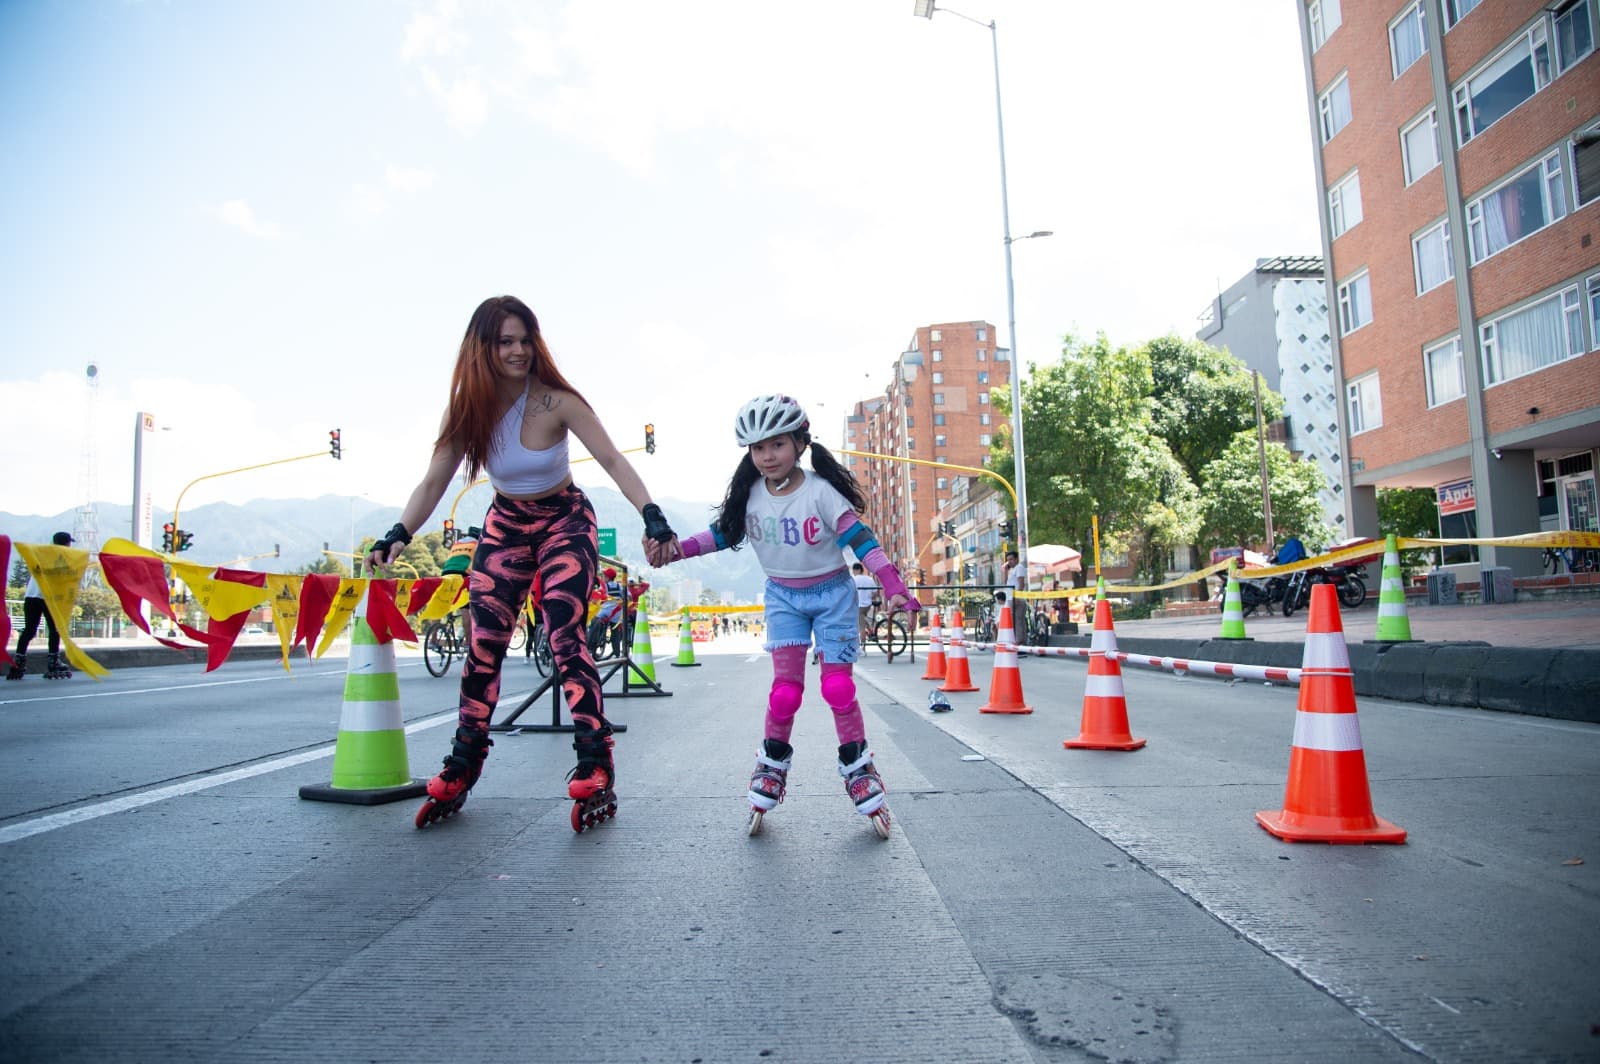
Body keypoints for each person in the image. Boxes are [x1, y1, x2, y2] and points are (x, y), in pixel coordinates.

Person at [366, 295, 678, 830]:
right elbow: (434, 480)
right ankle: (464, 760)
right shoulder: (468, 410)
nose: (517, 351)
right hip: (506, 524)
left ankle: (594, 759)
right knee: (483, 640)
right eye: (504, 341)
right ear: (482, 348)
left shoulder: (558, 400)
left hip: (565, 519)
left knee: (563, 630)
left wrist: (652, 516)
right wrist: (399, 532)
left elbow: (612, 459)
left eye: (524, 339)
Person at [647, 394, 919, 838]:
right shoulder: (751, 496)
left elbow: (862, 540)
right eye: (757, 449)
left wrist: (892, 584)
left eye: (776, 445)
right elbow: (719, 536)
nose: (767, 456)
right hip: (783, 599)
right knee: (785, 694)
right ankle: (771, 762)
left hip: (833, 596)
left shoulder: (821, 492)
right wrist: (674, 551)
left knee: (837, 686)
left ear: (799, 443)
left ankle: (859, 764)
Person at [7, 531, 73, 680]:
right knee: (55, 629)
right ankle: (53, 661)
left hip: (31, 595)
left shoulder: (42, 554)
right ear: (67, 543)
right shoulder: (65, 557)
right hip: (48, 597)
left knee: (29, 630)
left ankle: (18, 661)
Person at [852, 562, 878, 644]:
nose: (853, 572)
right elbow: (875, 593)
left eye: (854, 570)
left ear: (857, 570)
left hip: (858, 605)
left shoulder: (853, 579)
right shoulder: (869, 579)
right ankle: (871, 633)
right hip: (868, 605)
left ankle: (863, 647)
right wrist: (868, 596)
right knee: (862, 619)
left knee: (861, 626)